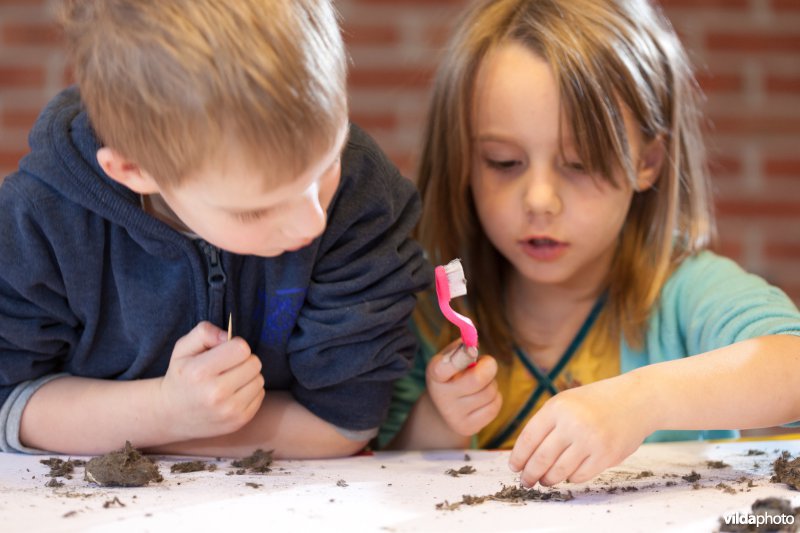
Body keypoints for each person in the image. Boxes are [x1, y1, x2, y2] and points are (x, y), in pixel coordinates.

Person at [378, 0, 800, 488]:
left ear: (648, 161)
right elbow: (385, 468)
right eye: (503, 162)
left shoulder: (683, 291)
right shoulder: (432, 311)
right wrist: (439, 416)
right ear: (463, 162)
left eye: (577, 164)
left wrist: (644, 400)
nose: (539, 200)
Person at [0, 0, 432, 458]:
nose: (313, 220)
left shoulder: (360, 196)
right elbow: (8, 399)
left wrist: (153, 427)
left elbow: (344, 423)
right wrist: (164, 411)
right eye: (255, 210)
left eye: (326, 166)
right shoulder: (40, 222)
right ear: (132, 169)